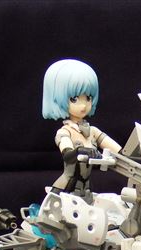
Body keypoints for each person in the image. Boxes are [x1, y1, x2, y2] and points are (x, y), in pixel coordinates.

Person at [42, 59, 122, 197]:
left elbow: (119, 152)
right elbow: (68, 155)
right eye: (74, 99)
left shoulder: (93, 131)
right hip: (66, 187)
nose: (84, 105)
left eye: (88, 98)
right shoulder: (65, 132)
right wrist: (81, 150)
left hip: (86, 187)